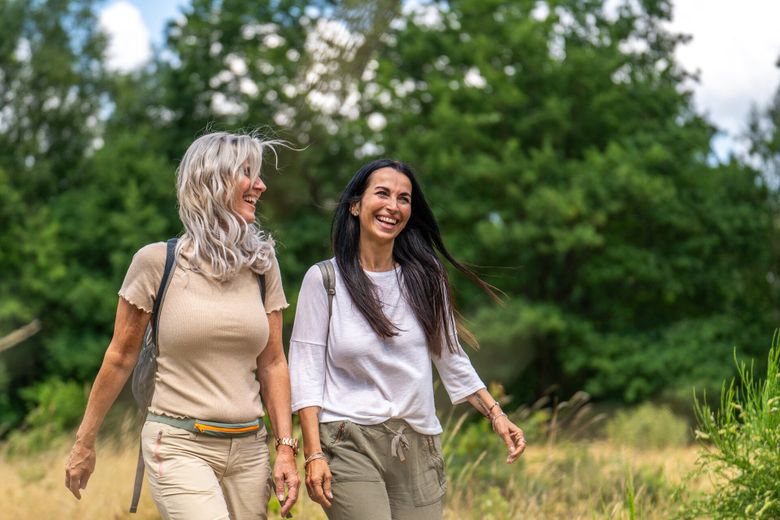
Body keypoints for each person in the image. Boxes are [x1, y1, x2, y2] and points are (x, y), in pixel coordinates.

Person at [65, 131, 300, 520]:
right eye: (247, 173)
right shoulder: (157, 262)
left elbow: (274, 362)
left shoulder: (263, 265)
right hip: (177, 444)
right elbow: (120, 356)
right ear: (213, 180)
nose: (261, 184)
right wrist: (84, 442)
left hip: (250, 450)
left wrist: (286, 448)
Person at [288, 158, 526, 520]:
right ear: (355, 205)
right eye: (382, 194)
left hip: (417, 443)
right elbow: (305, 372)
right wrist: (314, 453)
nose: (393, 206)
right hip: (348, 441)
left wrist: (496, 414)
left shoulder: (425, 279)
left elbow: (451, 356)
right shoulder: (324, 280)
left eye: (404, 198)